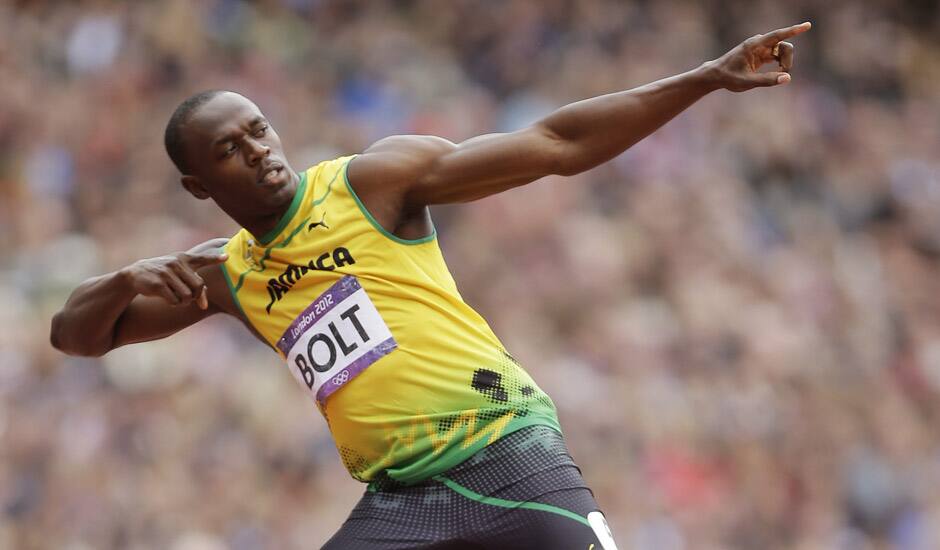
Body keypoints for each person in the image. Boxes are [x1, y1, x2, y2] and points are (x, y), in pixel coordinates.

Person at [50, 22, 810, 550]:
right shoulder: (226, 276)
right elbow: (77, 336)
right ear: (196, 183)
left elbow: (555, 144)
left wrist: (708, 78)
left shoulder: (368, 184)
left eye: (258, 130)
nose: (258, 152)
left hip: (507, 454)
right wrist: (120, 279)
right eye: (228, 150)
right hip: (402, 505)